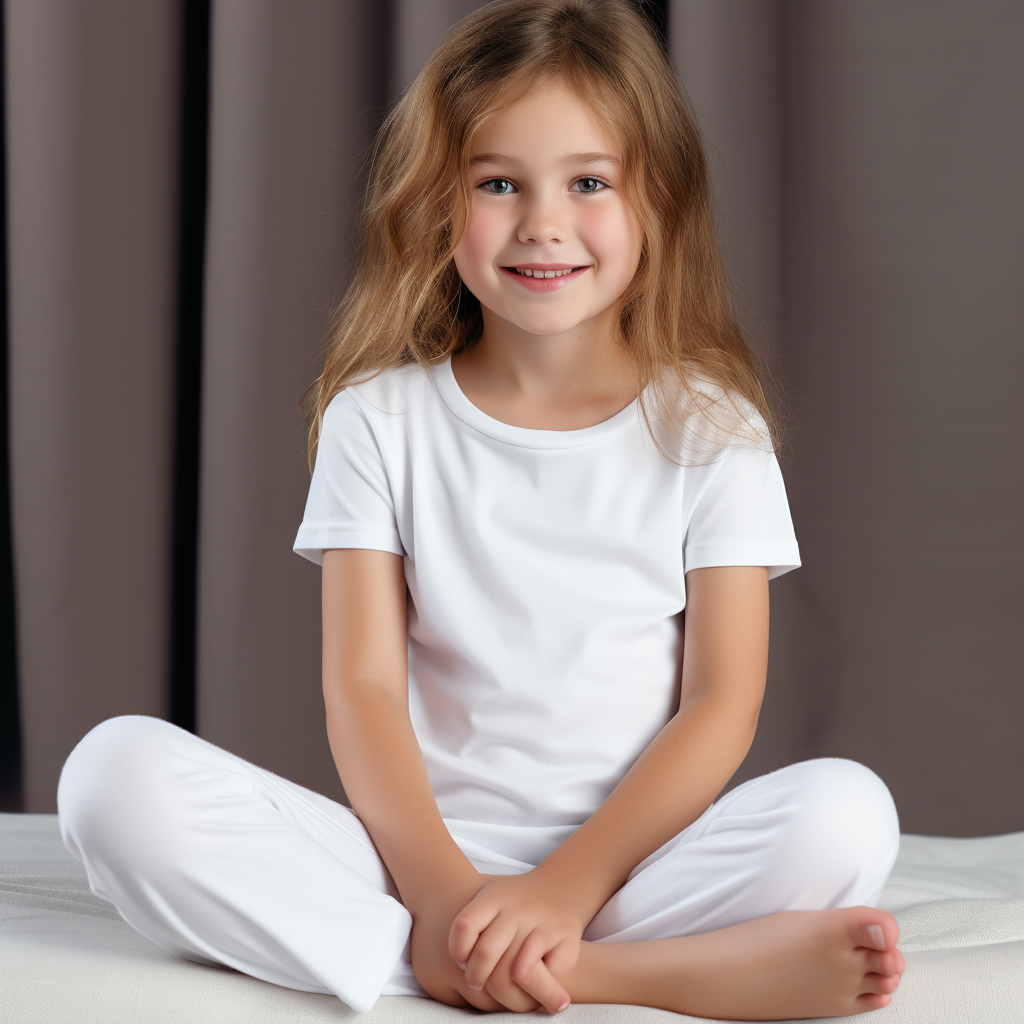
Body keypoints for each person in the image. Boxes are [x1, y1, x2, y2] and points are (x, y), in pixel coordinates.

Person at [56, 1, 905, 1018]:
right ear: (435, 206)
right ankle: (599, 970)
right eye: (497, 183)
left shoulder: (713, 429)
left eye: (588, 183)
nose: (542, 222)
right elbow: (362, 689)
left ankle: (531, 955)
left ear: (658, 204)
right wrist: (444, 892)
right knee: (111, 779)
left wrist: (562, 889)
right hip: (411, 864)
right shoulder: (379, 420)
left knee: (847, 814)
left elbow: (720, 703)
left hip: (631, 871)